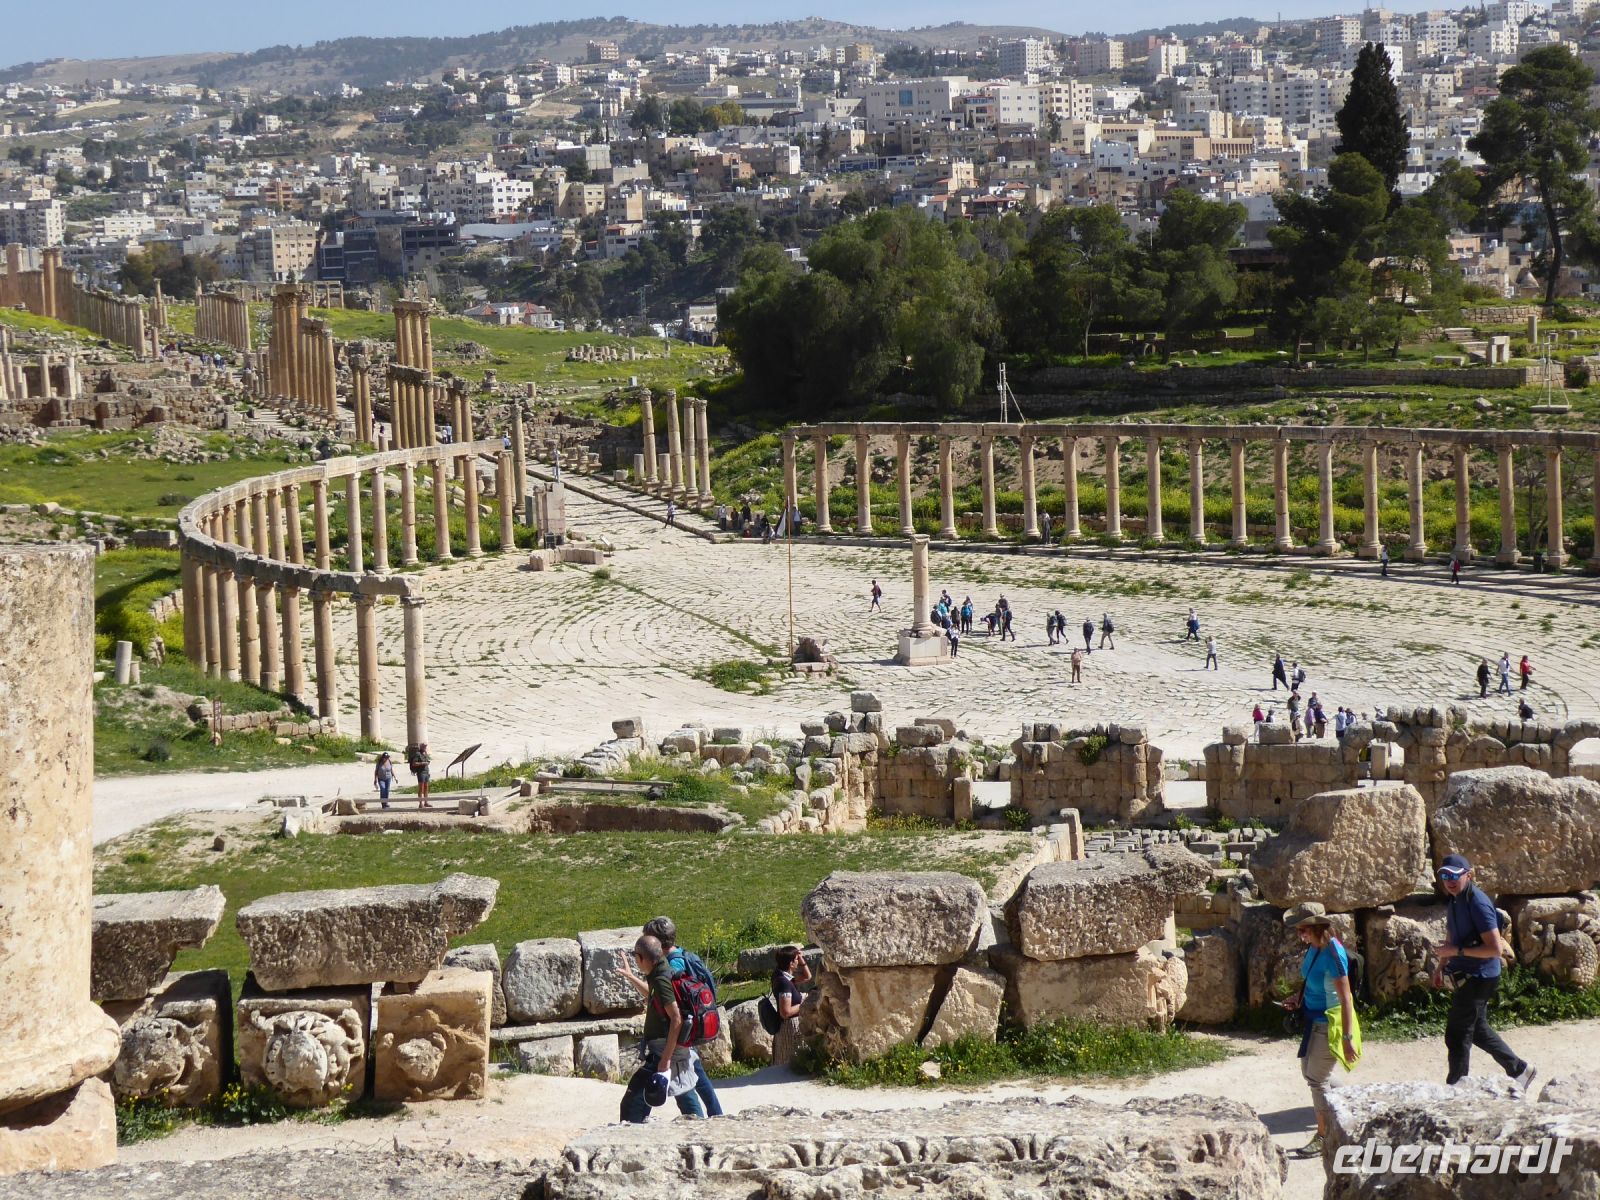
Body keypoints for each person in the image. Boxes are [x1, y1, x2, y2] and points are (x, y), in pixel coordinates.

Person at [1433, 855, 1536, 1092]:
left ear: (1468, 875)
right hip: (1469, 973)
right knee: (1477, 1030)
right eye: (1445, 875)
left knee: (1458, 1033)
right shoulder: (1455, 899)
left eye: (1454, 875)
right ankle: (1520, 1070)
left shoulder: (1478, 903)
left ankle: (1456, 1088)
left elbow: (1495, 949)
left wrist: (1456, 951)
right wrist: (1441, 965)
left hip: (1480, 976)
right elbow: (1451, 937)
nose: (1449, 880)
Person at [1281, 902, 1359, 1160]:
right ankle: (1349, 1101)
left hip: (1329, 1022)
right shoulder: (1314, 948)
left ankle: (1324, 1135)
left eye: (1302, 930)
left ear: (1316, 928)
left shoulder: (1334, 954)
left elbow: (1346, 999)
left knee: (1317, 1079)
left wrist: (1347, 1038)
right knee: (1310, 1072)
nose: (1299, 935)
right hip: (1312, 1018)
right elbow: (1311, 981)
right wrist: (1298, 999)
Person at [641, 917, 722, 1118]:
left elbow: (670, 1001)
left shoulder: (672, 965)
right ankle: (716, 1115)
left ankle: (701, 1118)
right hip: (688, 1026)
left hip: (680, 1032)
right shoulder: (684, 954)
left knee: (685, 1084)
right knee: (697, 1075)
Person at [617, 935, 697, 1122]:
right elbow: (654, 997)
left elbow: (676, 1018)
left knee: (633, 1103)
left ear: (640, 958)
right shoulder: (660, 971)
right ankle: (703, 1126)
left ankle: (631, 1133)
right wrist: (631, 977)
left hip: (664, 1050)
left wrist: (665, 1059)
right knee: (685, 1094)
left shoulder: (660, 979)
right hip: (666, 1049)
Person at [769, 945, 811, 1068]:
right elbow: (785, 1012)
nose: (798, 961)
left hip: (790, 1026)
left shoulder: (781, 975)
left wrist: (801, 960)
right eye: (796, 959)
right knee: (789, 1065)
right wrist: (805, 1004)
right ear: (791, 963)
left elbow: (807, 977)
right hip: (789, 1028)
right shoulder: (784, 983)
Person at [410, 743, 432, 807]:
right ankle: (420, 803)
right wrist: (422, 763)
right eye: (424, 746)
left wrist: (427, 763)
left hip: (426, 772)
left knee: (426, 787)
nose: (425, 748)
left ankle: (426, 802)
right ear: (421, 747)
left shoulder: (425, 753)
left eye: (425, 747)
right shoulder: (418, 754)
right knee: (421, 788)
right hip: (421, 772)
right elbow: (414, 763)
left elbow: (427, 761)